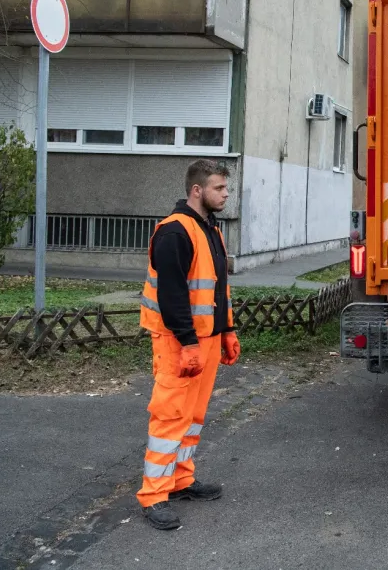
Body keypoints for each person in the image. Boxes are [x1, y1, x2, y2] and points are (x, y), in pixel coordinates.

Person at [135, 159, 241, 530]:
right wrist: (188, 342)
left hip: (206, 339)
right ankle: (154, 495)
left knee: (193, 415)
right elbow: (172, 294)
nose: (226, 194)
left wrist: (227, 330)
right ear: (197, 190)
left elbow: (218, 287)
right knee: (170, 415)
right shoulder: (175, 232)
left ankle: (181, 479)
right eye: (219, 188)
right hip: (179, 342)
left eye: (226, 188)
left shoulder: (210, 228)